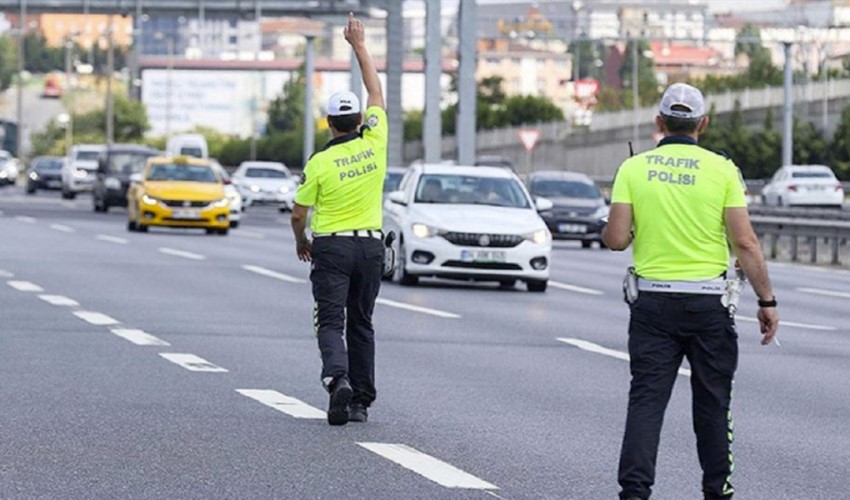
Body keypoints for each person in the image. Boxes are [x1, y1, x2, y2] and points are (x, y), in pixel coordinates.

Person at [602, 82, 779, 500]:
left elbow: (615, 239)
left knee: (646, 402)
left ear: (659, 122)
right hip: (708, 306)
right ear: (703, 123)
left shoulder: (634, 168)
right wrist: (767, 301)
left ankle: (634, 493)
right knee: (713, 404)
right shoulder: (723, 170)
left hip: (652, 304)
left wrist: (630, 231)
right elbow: (746, 243)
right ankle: (717, 491)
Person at [290, 13, 387, 427]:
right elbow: (376, 90)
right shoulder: (376, 140)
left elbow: (299, 213)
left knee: (331, 320)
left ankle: (338, 379)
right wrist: (359, 45)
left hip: (331, 247)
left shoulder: (321, 162)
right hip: (370, 247)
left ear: (329, 124)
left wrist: (301, 241)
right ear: (359, 120)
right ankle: (361, 401)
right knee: (361, 322)